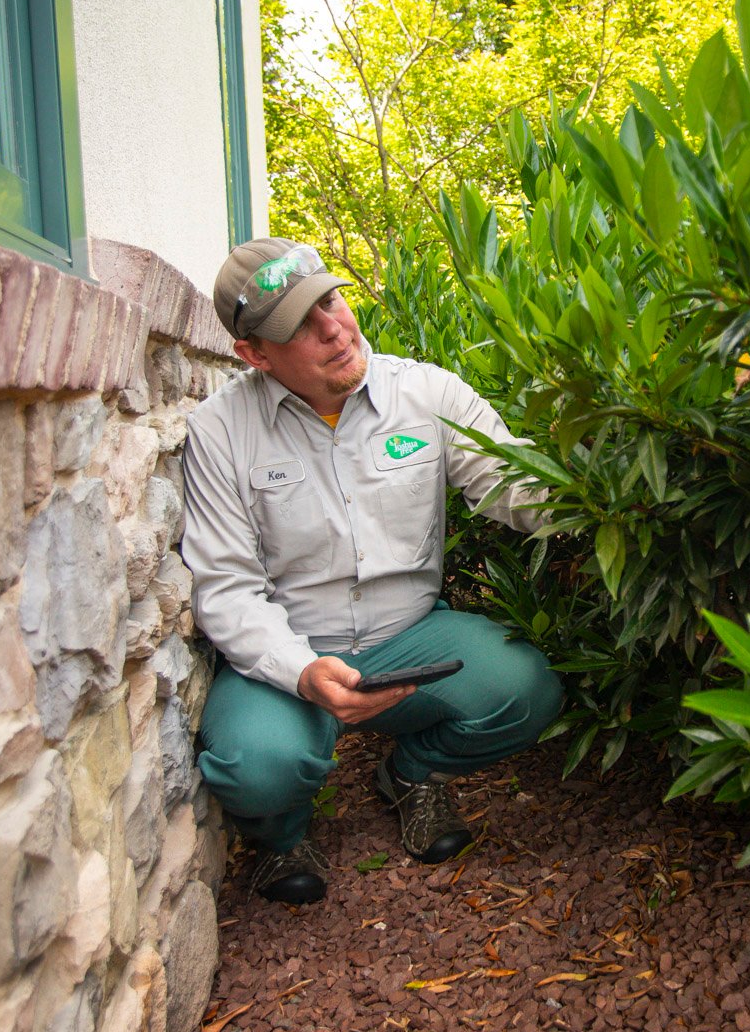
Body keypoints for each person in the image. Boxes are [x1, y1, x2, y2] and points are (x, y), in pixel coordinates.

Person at [181, 237, 563, 905]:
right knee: (256, 767)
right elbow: (226, 587)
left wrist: (620, 486)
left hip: (408, 639)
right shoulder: (220, 431)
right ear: (254, 355)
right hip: (289, 657)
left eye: (329, 299)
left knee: (526, 689)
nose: (333, 327)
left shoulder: (425, 391)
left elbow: (513, 483)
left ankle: (411, 774)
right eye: (299, 324)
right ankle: (283, 835)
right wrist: (300, 670)